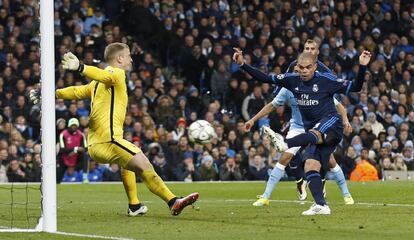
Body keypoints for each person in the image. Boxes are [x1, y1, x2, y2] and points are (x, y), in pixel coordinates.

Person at [30, 42, 198, 216]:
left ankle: (134, 205)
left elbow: (77, 91)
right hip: (109, 141)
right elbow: (103, 78)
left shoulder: (96, 83)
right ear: (119, 58)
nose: (131, 60)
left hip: (96, 146)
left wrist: (52, 93)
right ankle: (173, 201)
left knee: (128, 163)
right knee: (144, 164)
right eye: (128, 56)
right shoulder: (116, 73)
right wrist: (81, 67)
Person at [233, 48, 371, 215]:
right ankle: (321, 205)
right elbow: (264, 78)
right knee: (310, 166)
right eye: (301, 67)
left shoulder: (326, 80)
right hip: (312, 130)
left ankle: (286, 143)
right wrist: (242, 64)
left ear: (314, 67)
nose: (304, 71)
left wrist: (362, 66)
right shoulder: (292, 81)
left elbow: (355, 87)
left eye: (308, 67)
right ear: (297, 67)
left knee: (314, 134)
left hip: (332, 124)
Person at [58, 118, 89, 183]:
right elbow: (62, 150)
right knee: (58, 179)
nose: (74, 127)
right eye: (72, 125)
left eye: (75, 125)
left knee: (85, 155)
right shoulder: (63, 134)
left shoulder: (81, 135)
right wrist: (76, 148)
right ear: (69, 126)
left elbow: (85, 148)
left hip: (76, 158)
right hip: (65, 157)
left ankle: (85, 176)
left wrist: (75, 151)